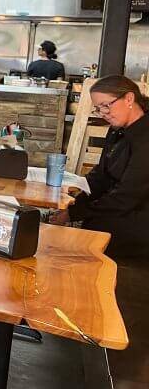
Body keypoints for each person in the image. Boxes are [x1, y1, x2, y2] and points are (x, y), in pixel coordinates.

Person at [49, 75, 149, 261]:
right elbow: (101, 175)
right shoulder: (117, 129)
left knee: (69, 250)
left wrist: (73, 213)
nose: (103, 113)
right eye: (98, 108)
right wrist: (74, 201)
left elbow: (126, 197)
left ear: (129, 98)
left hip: (137, 223)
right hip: (115, 211)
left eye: (106, 105)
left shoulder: (144, 137)